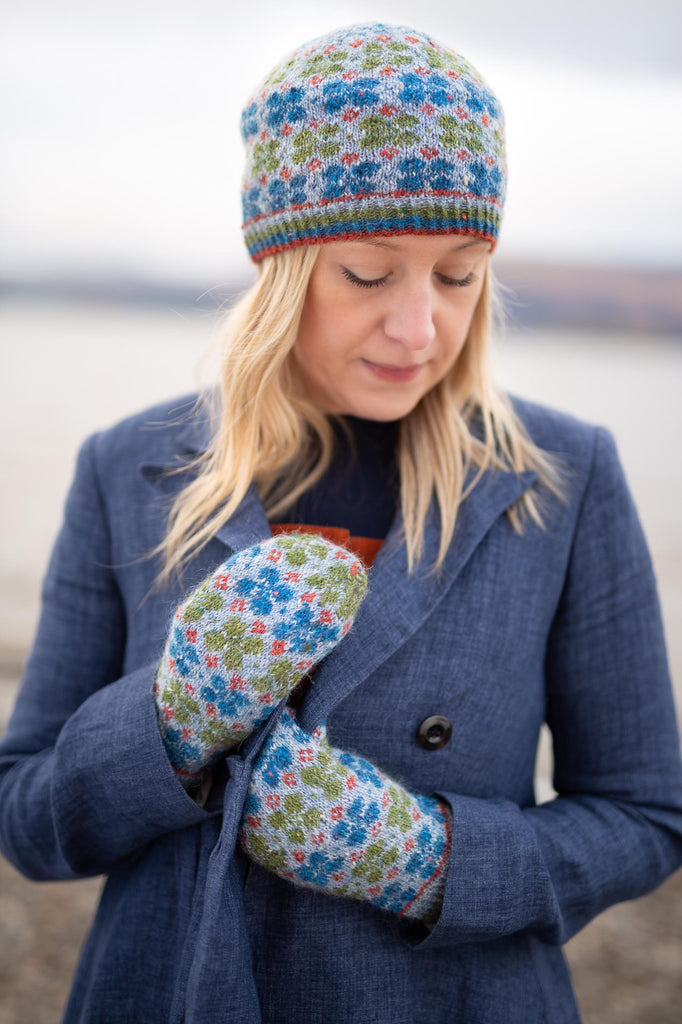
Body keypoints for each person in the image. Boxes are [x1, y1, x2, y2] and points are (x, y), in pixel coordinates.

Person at [1, 19, 681, 1024]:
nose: (419, 328)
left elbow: (644, 814)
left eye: (458, 274)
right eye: (369, 273)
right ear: (281, 267)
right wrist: (171, 721)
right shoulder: (130, 468)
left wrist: (421, 858)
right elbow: (27, 817)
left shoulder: (560, 478)